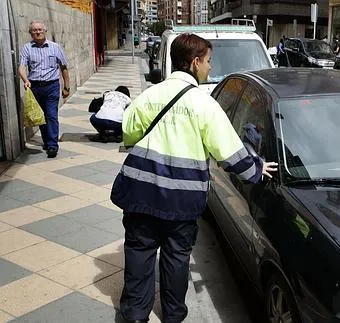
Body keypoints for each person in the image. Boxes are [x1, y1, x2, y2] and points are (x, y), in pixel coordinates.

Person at [110, 33, 278, 323]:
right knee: (176, 258)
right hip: (182, 199)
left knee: (139, 252)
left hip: (141, 192)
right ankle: (173, 315)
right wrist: (255, 168)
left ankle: (136, 316)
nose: (210, 68)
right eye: (209, 62)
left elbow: (129, 133)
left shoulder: (150, 95)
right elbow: (227, 150)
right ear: (195, 61)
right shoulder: (205, 106)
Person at [18, 21, 70, 158]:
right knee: (41, 116)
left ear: (45, 31)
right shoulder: (27, 48)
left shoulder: (55, 47)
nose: (37, 32)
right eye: (34, 30)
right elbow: (21, 67)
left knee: (51, 115)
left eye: (40, 29)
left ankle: (53, 145)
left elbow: (63, 67)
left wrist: (66, 87)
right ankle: (47, 141)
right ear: (31, 33)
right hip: (35, 87)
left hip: (52, 86)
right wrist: (26, 80)